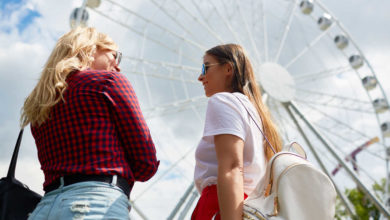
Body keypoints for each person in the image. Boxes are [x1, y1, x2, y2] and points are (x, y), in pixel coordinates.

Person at [21, 27, 159, 219]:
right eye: (115, 55)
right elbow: (146, 164)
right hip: (95, 204)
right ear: (90, 48)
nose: (118, 66)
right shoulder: (108, 81)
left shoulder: (40, 103)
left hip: (44, 209)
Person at [192, 44, 282, 220]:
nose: (200, 77)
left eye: (205, 67)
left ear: (228, 68)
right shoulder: (258, 115)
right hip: (251, 208)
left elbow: (232, 166)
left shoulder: (223, 101)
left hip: (223, 204)